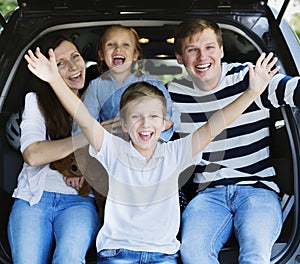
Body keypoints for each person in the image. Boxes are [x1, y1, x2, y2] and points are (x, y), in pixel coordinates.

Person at [24, 44, 278, 264]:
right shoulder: (112, 148)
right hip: (117, 253)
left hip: (163, 256)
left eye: (154, 117)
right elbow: (82, 115)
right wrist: (54, 80)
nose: (145, 124)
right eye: (136, 117)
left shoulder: (176, 152)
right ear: (123, 124)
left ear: (166, 123)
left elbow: (217, 123)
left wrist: (252, 92)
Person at [167, 17, 300, 263]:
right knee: (192, 253)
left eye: (209, 48)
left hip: (258, 190)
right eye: (192, 50)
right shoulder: (173, 95)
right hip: (208, 195)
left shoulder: (250, 77)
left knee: (256, 252)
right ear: (179, 57)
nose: (202, 57)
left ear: (221, 50)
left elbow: (295, 91)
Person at [8, 36, 101, 264]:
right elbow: (33, 154)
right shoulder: (36, 101)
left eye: (75, 57)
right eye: (59, 63)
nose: (72, 67)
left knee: (69, 258)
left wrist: (85, 169)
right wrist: (88, 135)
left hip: (79, 202)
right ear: (45, 70)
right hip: (33, 199)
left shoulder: (98, 100)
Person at [81, 24, 180, 141]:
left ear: (135, 55)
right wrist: (101, 131)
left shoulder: (152, 83)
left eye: (125, 45)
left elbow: (173, 117)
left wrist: (154, 126)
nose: (118, 49)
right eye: (111, 44)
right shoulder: (96, 86)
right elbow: (85, 123)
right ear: (101, 54)